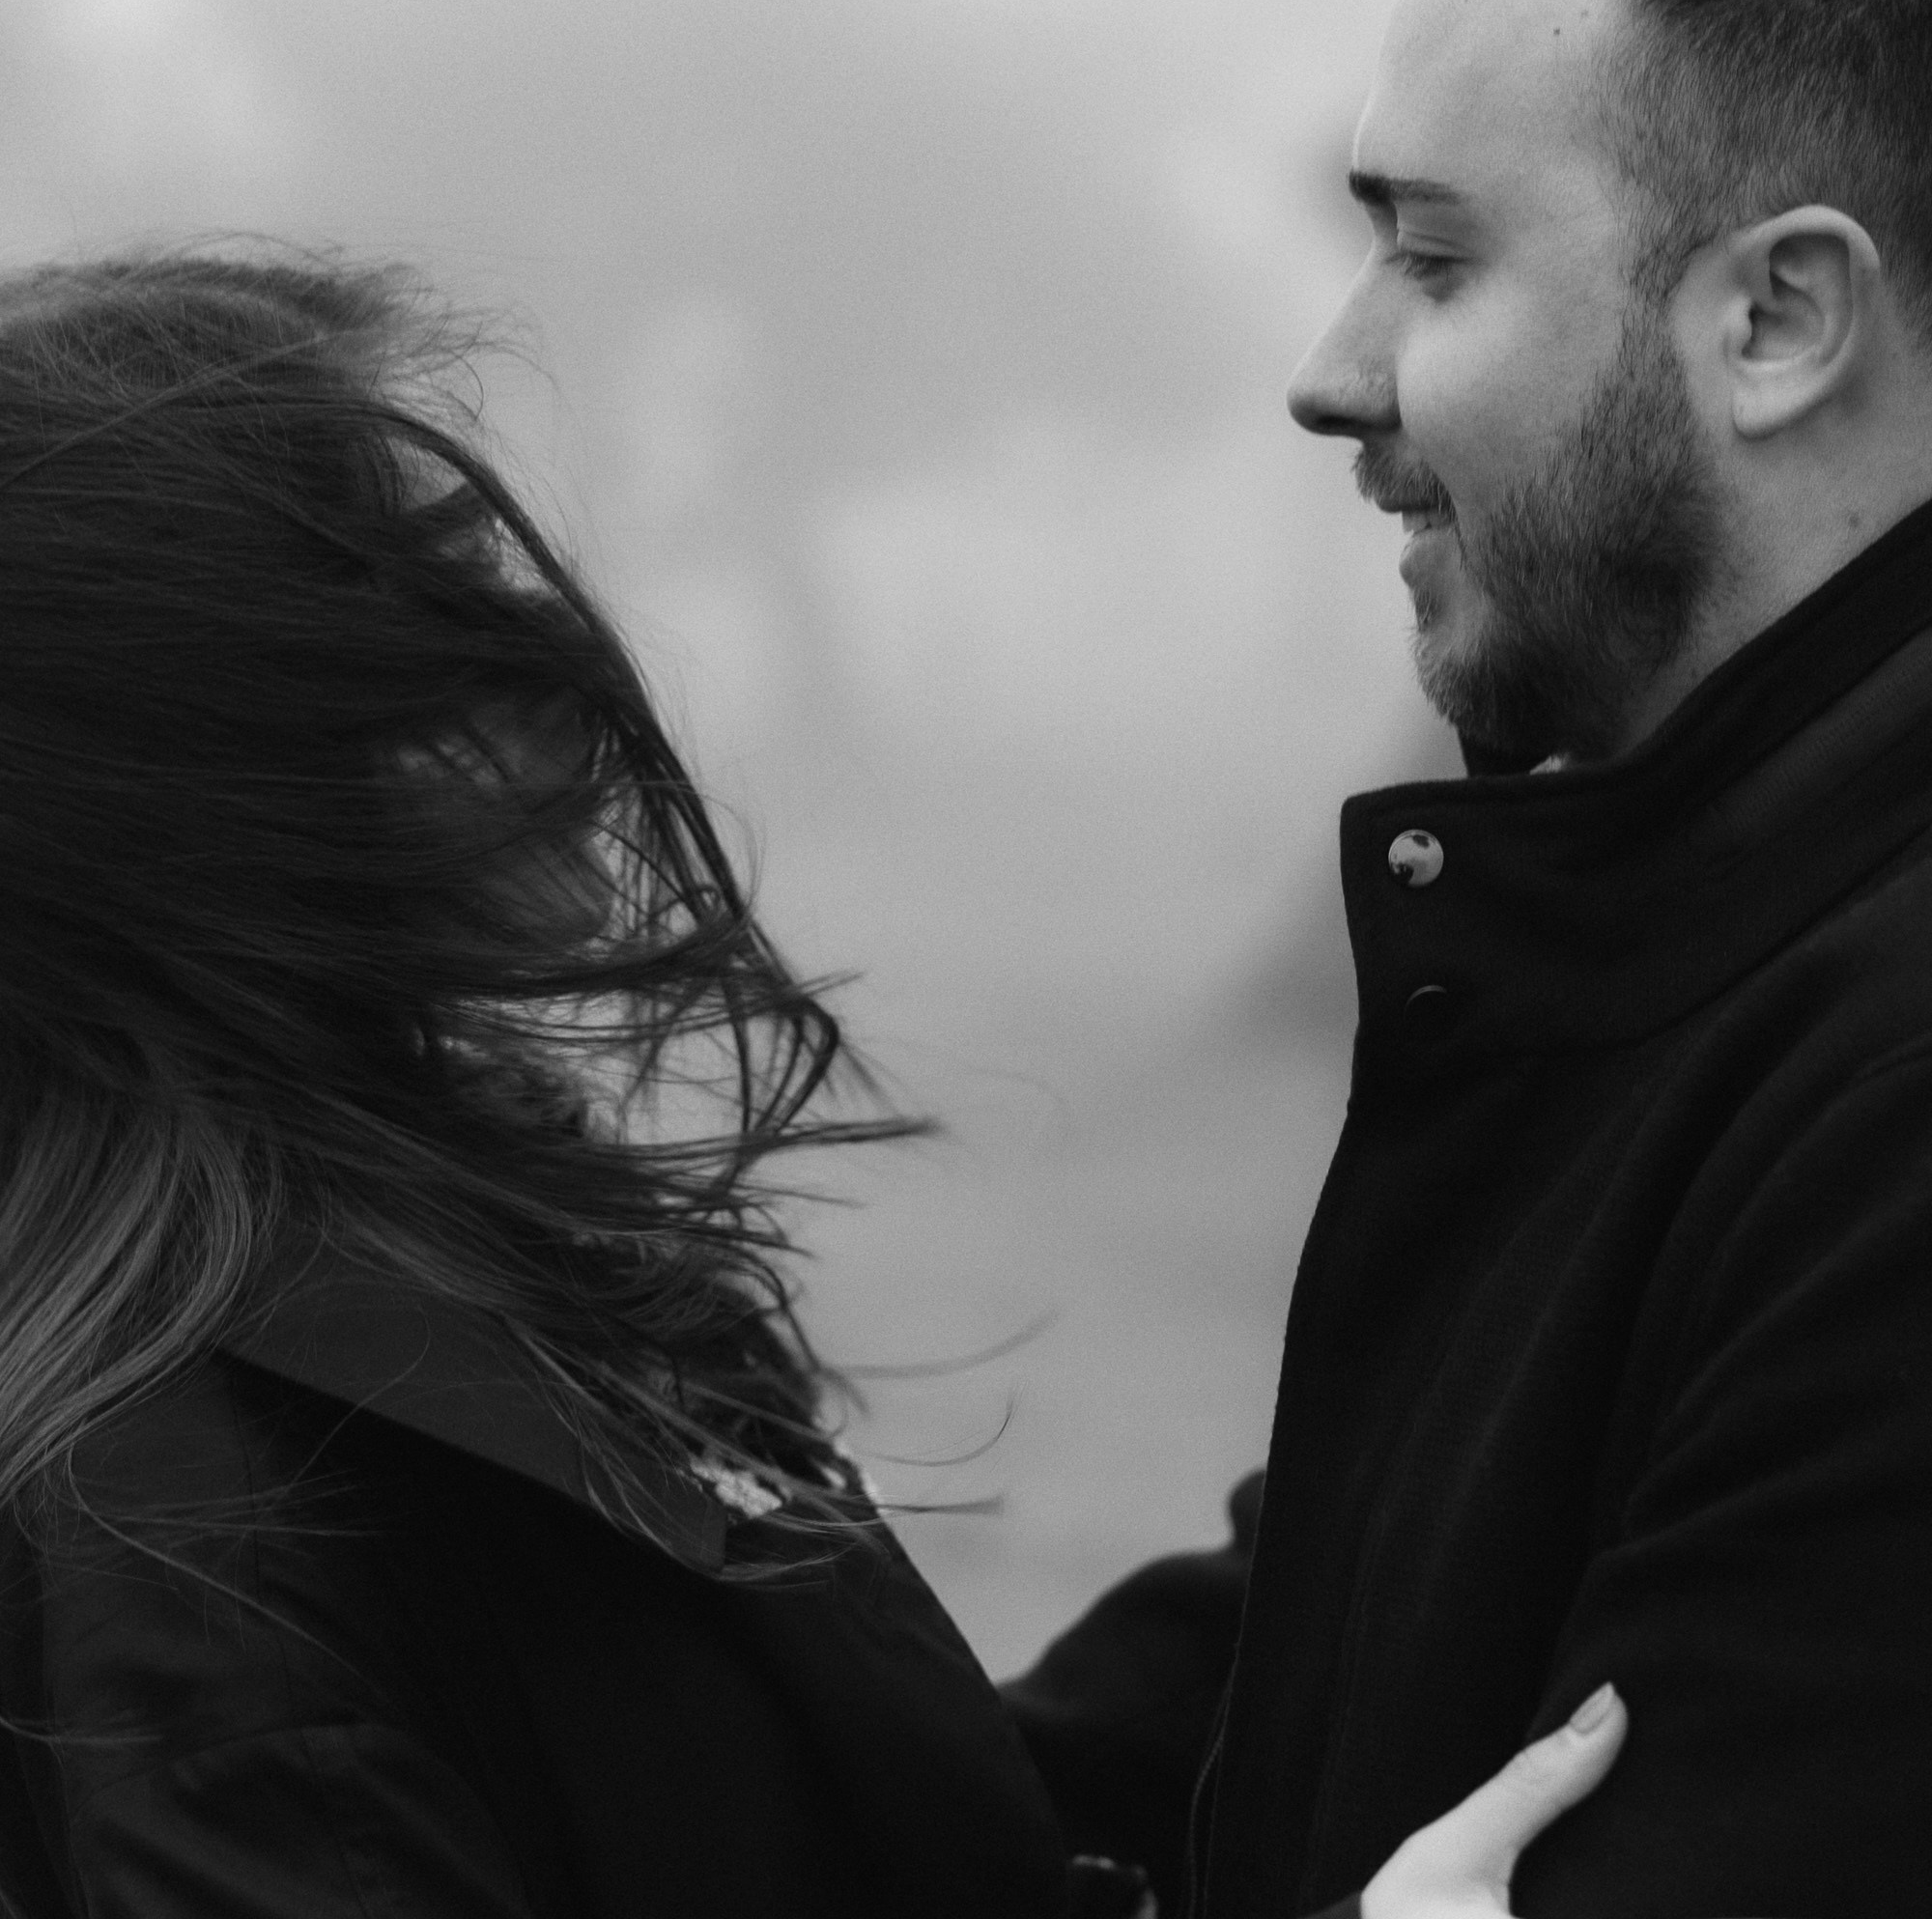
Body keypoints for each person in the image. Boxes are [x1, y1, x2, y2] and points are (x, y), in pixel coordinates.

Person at [0, 242, 1620, 1917]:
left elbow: (867, 1845)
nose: (552, 662)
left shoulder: (433, 1286)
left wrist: (1472, 1437)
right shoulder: (204, 1548)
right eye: (425, 612)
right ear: (188, 771)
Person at [1119, 0, 1932, 1915]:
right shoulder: (1673, 937)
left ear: (1773, 315)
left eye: (1438, 260)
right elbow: (1265, 1686)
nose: (1333, 368)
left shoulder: (1884, 1074)